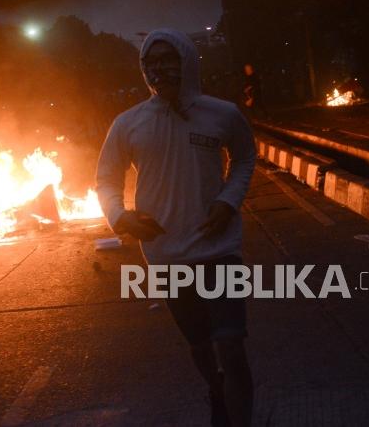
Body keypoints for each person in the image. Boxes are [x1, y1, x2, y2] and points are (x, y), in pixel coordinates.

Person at [96, 29, 256, 427]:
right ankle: (217, 391)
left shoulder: (222, 114)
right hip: (166, 255)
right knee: (200, 345)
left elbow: (244, 158)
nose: (160, 69)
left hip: (219, 248)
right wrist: (119, 216)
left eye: (169, 59)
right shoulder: (129, 123)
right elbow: (107, 178)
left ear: (187, 61)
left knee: (231, 345)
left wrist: (228, 200)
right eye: (152, 62)